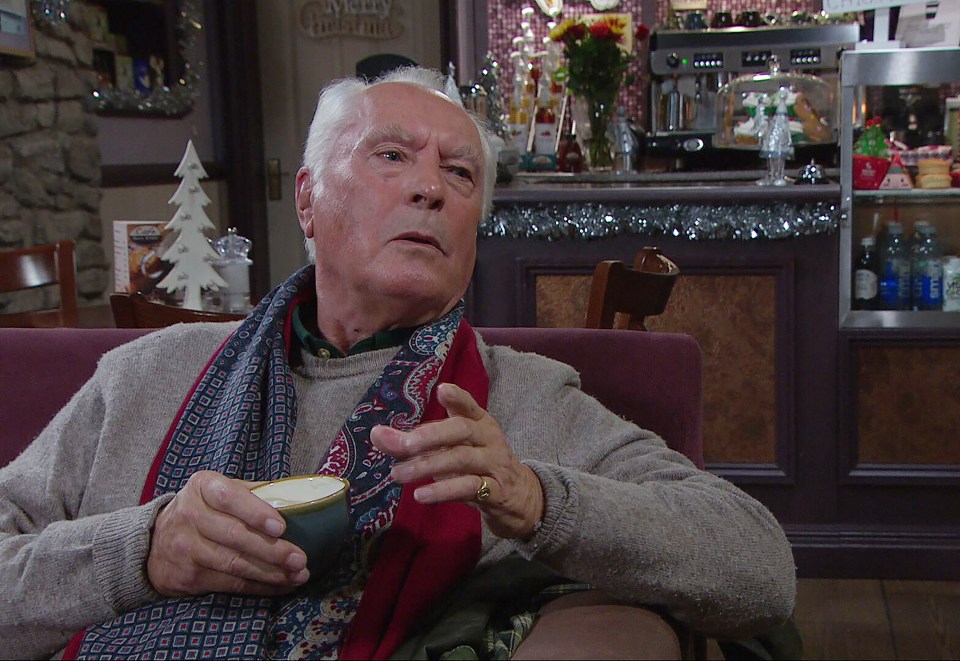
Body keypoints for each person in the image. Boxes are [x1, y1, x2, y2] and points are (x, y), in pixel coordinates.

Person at [0, 67, 796, 659]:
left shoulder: (513, 405)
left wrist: (535, 498)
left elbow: (759, 567)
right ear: (308, 201)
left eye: (460, 174)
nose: (431, 189)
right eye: (392, 156)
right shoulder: (148, 374)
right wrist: (138, 551)